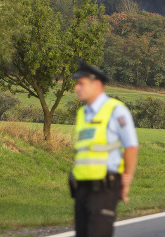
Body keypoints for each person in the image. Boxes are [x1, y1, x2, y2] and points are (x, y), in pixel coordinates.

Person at [69, 61, 139, 237]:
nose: (76, 88)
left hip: (105, 187)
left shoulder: (116, 110)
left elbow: (131, 146)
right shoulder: (82, 113)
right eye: (76, 83)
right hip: (82, 188)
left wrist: (126, 179)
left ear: (97, 84)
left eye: (81, 83)